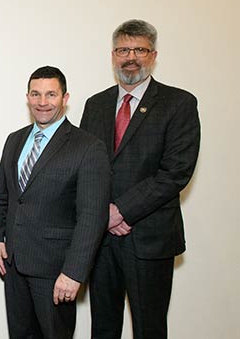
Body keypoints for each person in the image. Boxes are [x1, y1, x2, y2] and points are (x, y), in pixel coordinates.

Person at [80, 19, 201, 339]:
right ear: (112, 55)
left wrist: (120, 211)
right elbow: (85, 168)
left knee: (149, 328)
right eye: (123, 49)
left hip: (149, 239)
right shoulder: (96, 104)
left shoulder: (179, 103)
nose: (130, 57)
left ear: (154, 55)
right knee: (103, 328)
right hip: (101, 241)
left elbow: (176, 172)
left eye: (140, 49)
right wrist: (102, 212)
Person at [0, 66, 110, 338]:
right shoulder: (14, 140)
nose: (42, 102)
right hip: (14, 265)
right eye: (36, 94)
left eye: (51, 94)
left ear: (65, 98)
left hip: (56, 272)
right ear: (27, 97)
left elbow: (92, 217)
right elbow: (2, 196)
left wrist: (73, 273)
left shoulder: (88, 146)